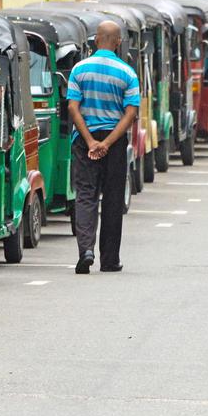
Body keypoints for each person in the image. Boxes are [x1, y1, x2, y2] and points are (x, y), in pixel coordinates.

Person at [67, 21, 140, 275]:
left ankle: (85, 251)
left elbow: (73, 108)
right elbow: (130, 113)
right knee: (112, 199)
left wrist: (89, 141)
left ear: (96, 40)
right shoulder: (128, 73)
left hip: (84, 140)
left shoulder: (79, 70)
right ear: (118, 42)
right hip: (115, 142)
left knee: (85, 195)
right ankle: (109, 259)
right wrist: (107, 144)